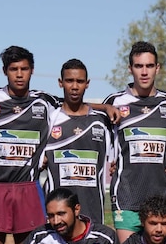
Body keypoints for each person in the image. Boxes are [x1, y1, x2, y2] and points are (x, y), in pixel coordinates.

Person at [0, 46, 61, 244]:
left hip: (28, 187)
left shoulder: (44, 101)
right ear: (5, 71)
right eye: (14, 69)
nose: (19, 74)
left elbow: (75, 108)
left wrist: (108, 107)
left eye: (24, 69)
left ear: (32, 70)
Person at [103, 41, 166, 243]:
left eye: (149, 66)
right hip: (127, 196)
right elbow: (79, 113)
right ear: (130, 69)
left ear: (157, 68)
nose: (144, 72)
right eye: (138, 66)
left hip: (162, 197)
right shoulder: (114, 102)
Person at [39, 59, 113, 223]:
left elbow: (115, 160)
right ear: (61, 83)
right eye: (69, 81)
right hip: (56, 216)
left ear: (87, 84)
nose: (74, 86)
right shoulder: (49, 120)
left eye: (79, 81)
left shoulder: (101, 121)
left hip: (92, 213)